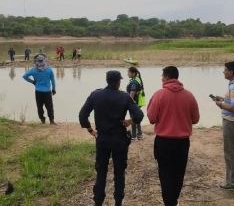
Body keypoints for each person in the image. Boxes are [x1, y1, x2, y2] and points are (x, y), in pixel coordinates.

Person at [79, 70, 144, 206]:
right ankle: (119, 202)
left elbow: (83, 115)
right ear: (119, 82)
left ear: (107, 80)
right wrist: (129, 121)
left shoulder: (96, 94)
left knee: (101, 171)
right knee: (119, 173)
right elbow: (139, 115)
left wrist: (91, 130)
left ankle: (98, 201)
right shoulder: (124, 97)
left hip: (102, 139)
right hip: (119, 140)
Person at [147, 66, 200, 206]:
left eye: (162, 76)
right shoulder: (189, 95)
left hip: (163, 141)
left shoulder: (159, 94)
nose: (161, 79)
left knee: (165, 172)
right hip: (182, 142)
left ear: (167, 77)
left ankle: (169, 203)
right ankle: (173, 201)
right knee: (179, 172)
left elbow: (151, 118)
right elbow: (195, 119)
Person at [214, 61, 234, 190]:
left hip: (232, 123)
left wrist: (220, 105)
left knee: (231, 152)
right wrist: (223, 99)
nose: (223, 72)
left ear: (231, 71)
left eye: (225, 69)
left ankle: (233, 182)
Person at [23, 54, 57, 125]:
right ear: (44, 60)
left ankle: (42, 120)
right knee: (49, 107)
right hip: (47, 91)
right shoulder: (49, 69)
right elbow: (53, 80)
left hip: (38, 91)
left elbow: (24, 76)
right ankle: (51, 121)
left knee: (39, 106)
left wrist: (32, 82)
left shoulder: (33, 70)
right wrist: (53, 88)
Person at [126, 66, 145, 141]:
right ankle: (139, 134)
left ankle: (134, 137)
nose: (127, 74)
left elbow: (132, 93)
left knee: (133, 119)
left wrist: (128, 103)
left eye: (128, 72)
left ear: (133, 73)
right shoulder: (137, 79)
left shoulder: (134, 82)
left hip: (134, 103)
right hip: (137, 103)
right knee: (137, 117)